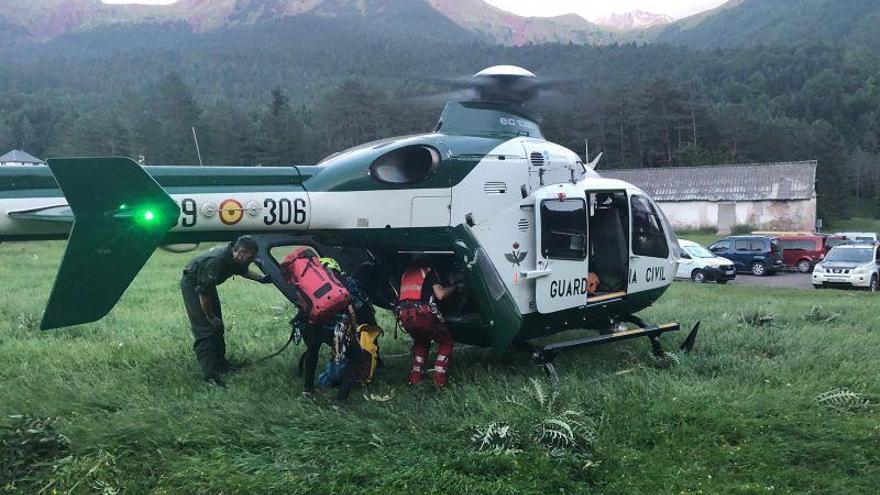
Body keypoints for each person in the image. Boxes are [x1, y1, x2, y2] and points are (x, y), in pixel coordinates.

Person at [180, 236, 271, 387]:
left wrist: (262, 279)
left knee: (218, 325)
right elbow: (203, 294)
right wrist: (210, 317)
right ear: (240, 253)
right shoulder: (215, 261)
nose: (252, 260)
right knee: (205, 331)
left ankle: (221, 364)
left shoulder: (235, 257)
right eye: (251, 257)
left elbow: (243, 271)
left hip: (206, 286)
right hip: (194, 285)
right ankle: (210, 375)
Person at [397, 260, 462, 388]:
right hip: (423, 315)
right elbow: (440, 294)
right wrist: (455, 288)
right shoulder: (428, 271)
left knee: (421, 342)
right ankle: (439, 379)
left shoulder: (405, 273)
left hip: (405, 317)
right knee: (445, 342)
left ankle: (415, 377)